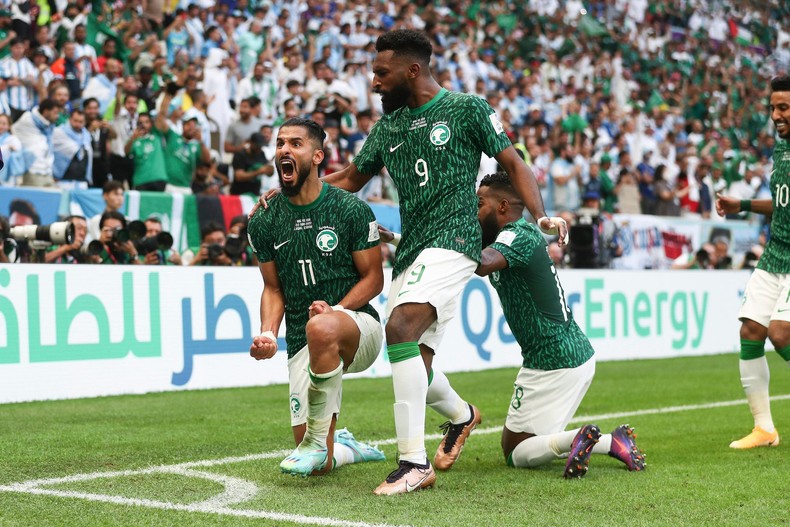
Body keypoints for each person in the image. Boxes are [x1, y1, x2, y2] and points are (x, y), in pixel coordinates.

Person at [282, 29, 565, 495]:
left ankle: (412, 464)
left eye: (381, 72)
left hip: (454, 241)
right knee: (416, 361)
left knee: (399, 330)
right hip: (413, 250)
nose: (373, 82)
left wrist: (541, 215)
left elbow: (512, 162)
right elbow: (353, 177)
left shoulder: (466, 109)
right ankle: (461, 415)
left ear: (412, 70)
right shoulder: (389, 128)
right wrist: (294, 191)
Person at [471, 172, 645, 477]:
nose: (475, 210)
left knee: (515, 452)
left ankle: (576, 437)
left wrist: (448, 231)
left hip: (552, 360)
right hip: (569, 354)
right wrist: (395, 239)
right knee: (527, 442)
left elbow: (481, 264)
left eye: (479, 203)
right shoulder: (512, 236)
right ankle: (612, 441)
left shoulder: (517, 235)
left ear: (502, 207)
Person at [247, 118, 386, 477]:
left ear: (318, 155)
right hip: (301, 338)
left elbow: (374, 279)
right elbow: (273, 288)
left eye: (295, 144)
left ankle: (316, 442)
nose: (284, 151)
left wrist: (337, 309)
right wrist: (267, 332)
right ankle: (343, 447)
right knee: (319, 465)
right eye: (280, 144)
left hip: (358, 327)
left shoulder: (350, 209)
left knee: (322, 326)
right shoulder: (264, 220)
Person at [715, 75, 790, 450]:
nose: (776, 115)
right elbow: (781, 203)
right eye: (773, 108)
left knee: (780, 333)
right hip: (775, 251)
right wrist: (741, 204)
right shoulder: (781, 149)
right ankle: (765, 429)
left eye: (784, 108)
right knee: (751, 331)